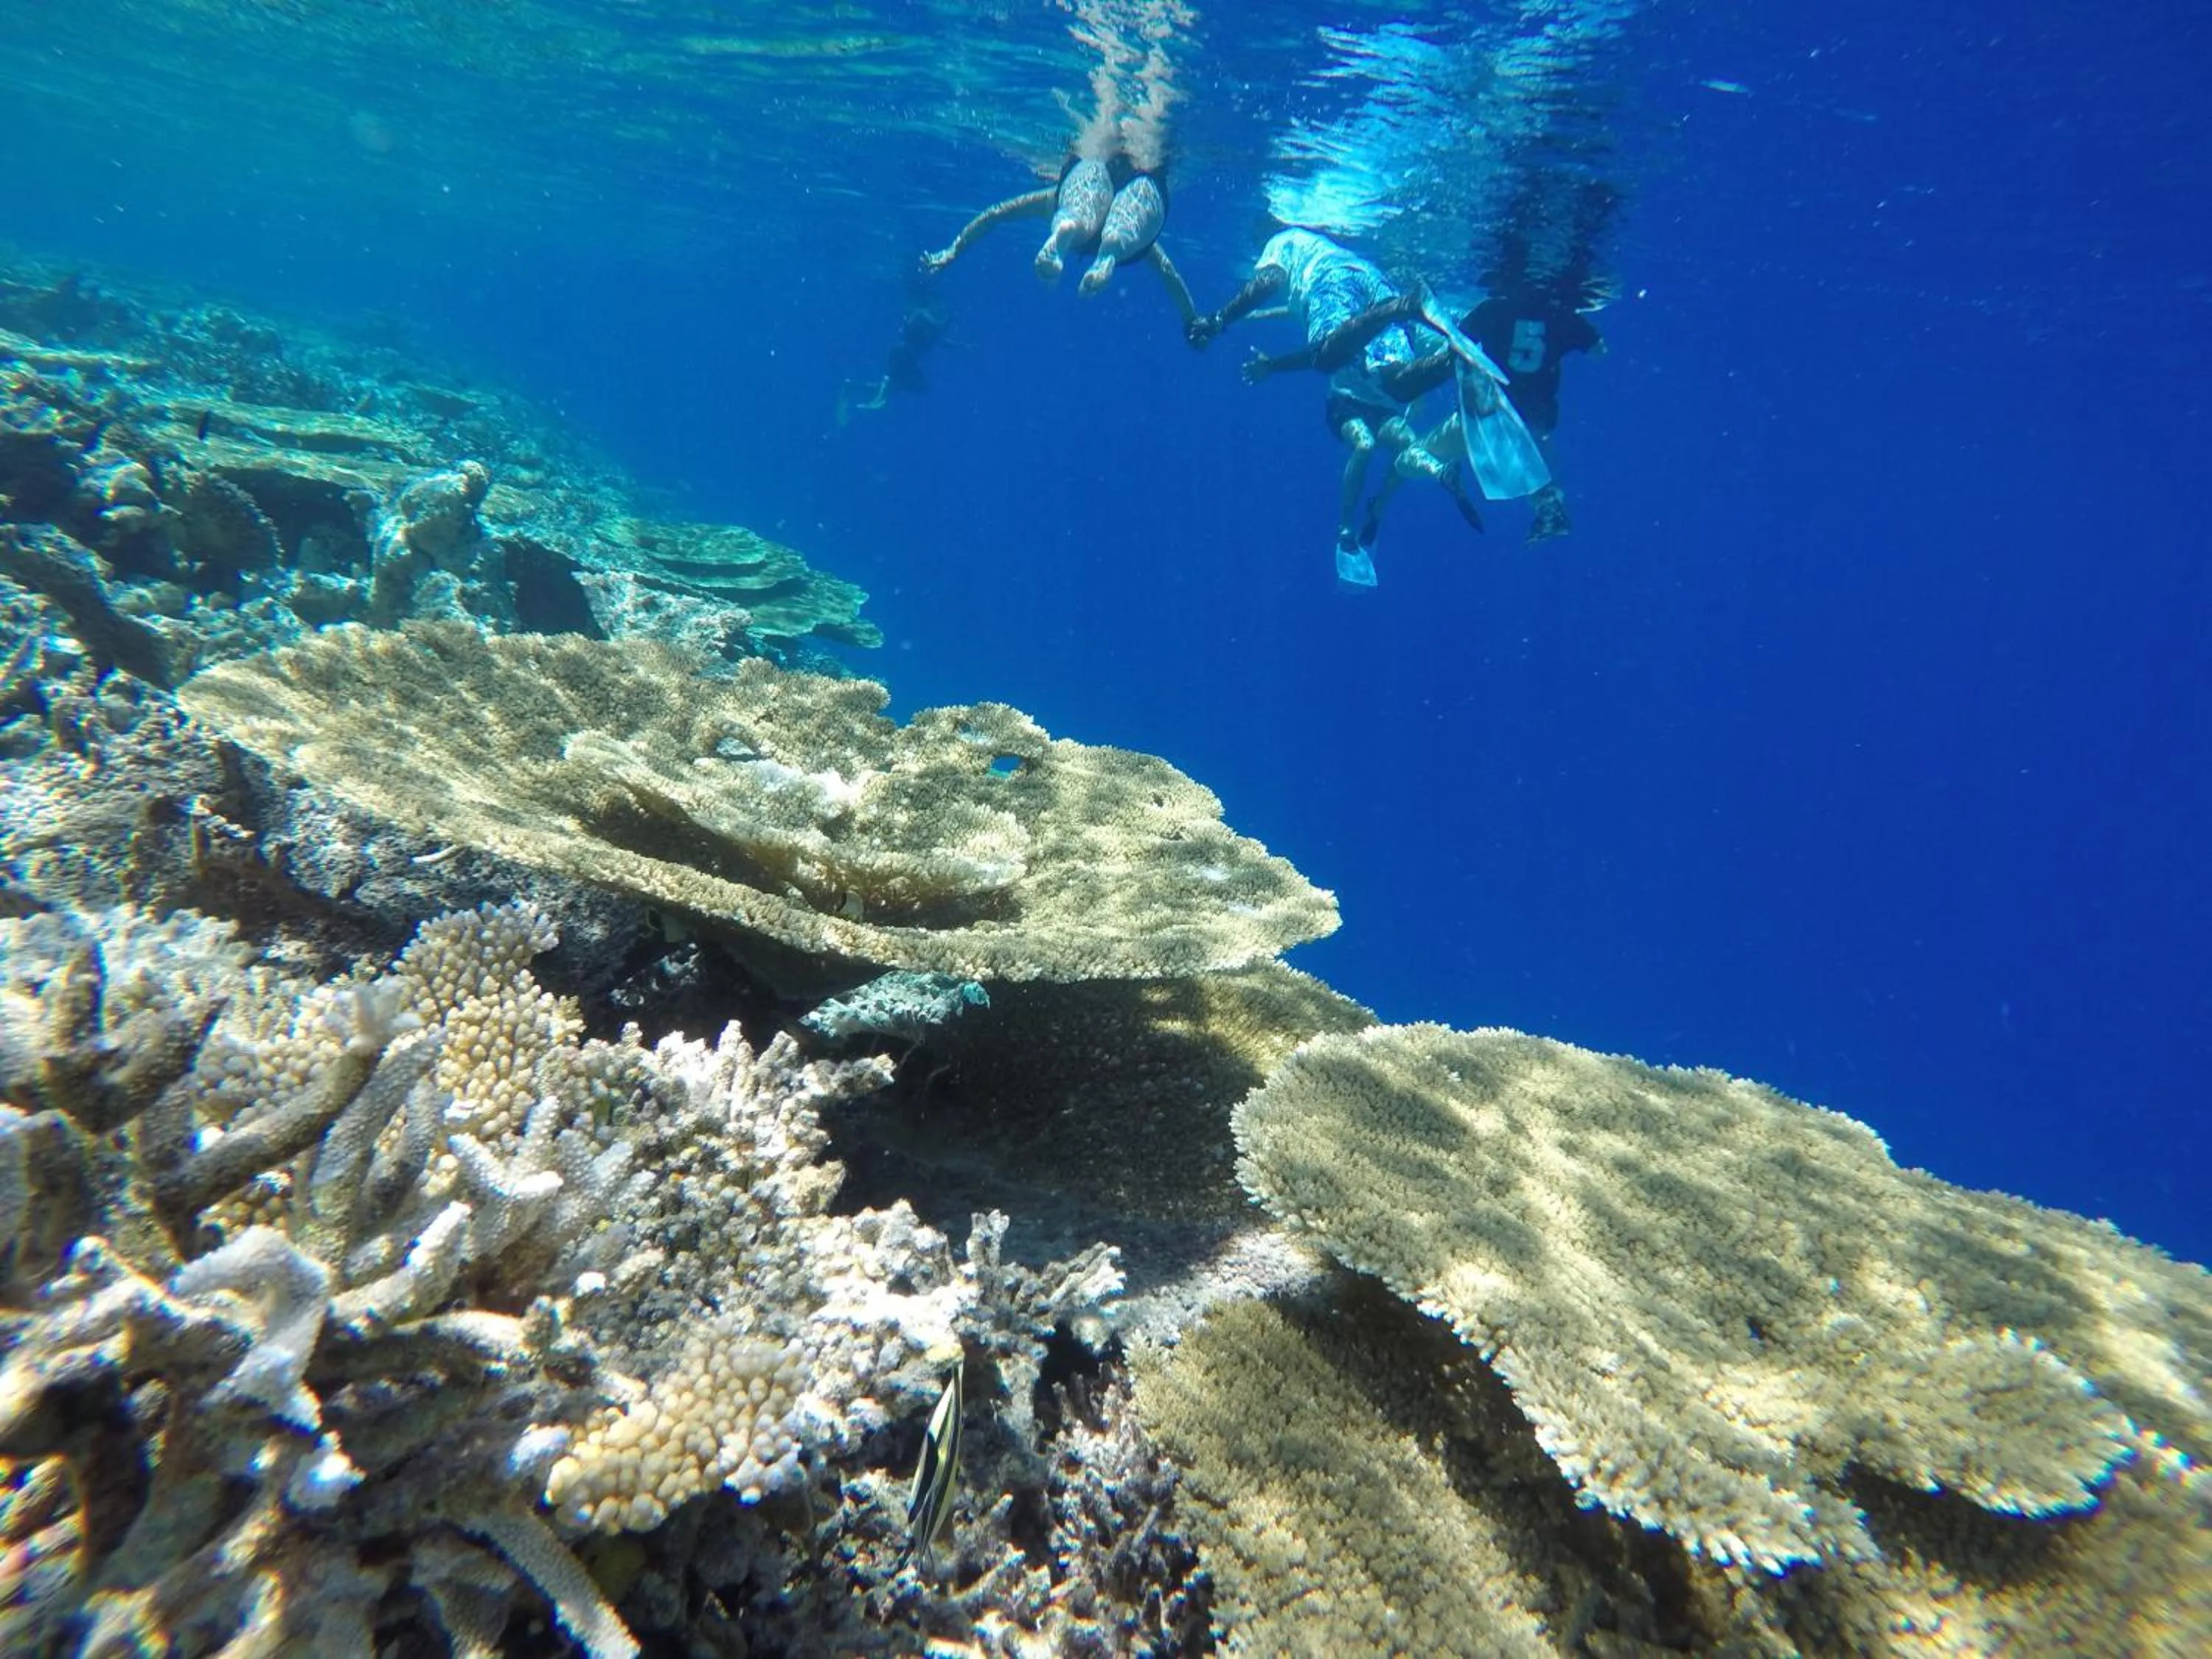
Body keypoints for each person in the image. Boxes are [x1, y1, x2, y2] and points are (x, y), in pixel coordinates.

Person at [1186, 227, 1483, 586]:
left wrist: (1219, 320)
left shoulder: (1281, 242)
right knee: (1399, 387)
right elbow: (1289, 305)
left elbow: (1267, 283)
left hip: (1350, 379)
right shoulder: (1334, 252)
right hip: (1377, 290)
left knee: (1328, 359)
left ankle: (1345, 530)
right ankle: (1452, 360)